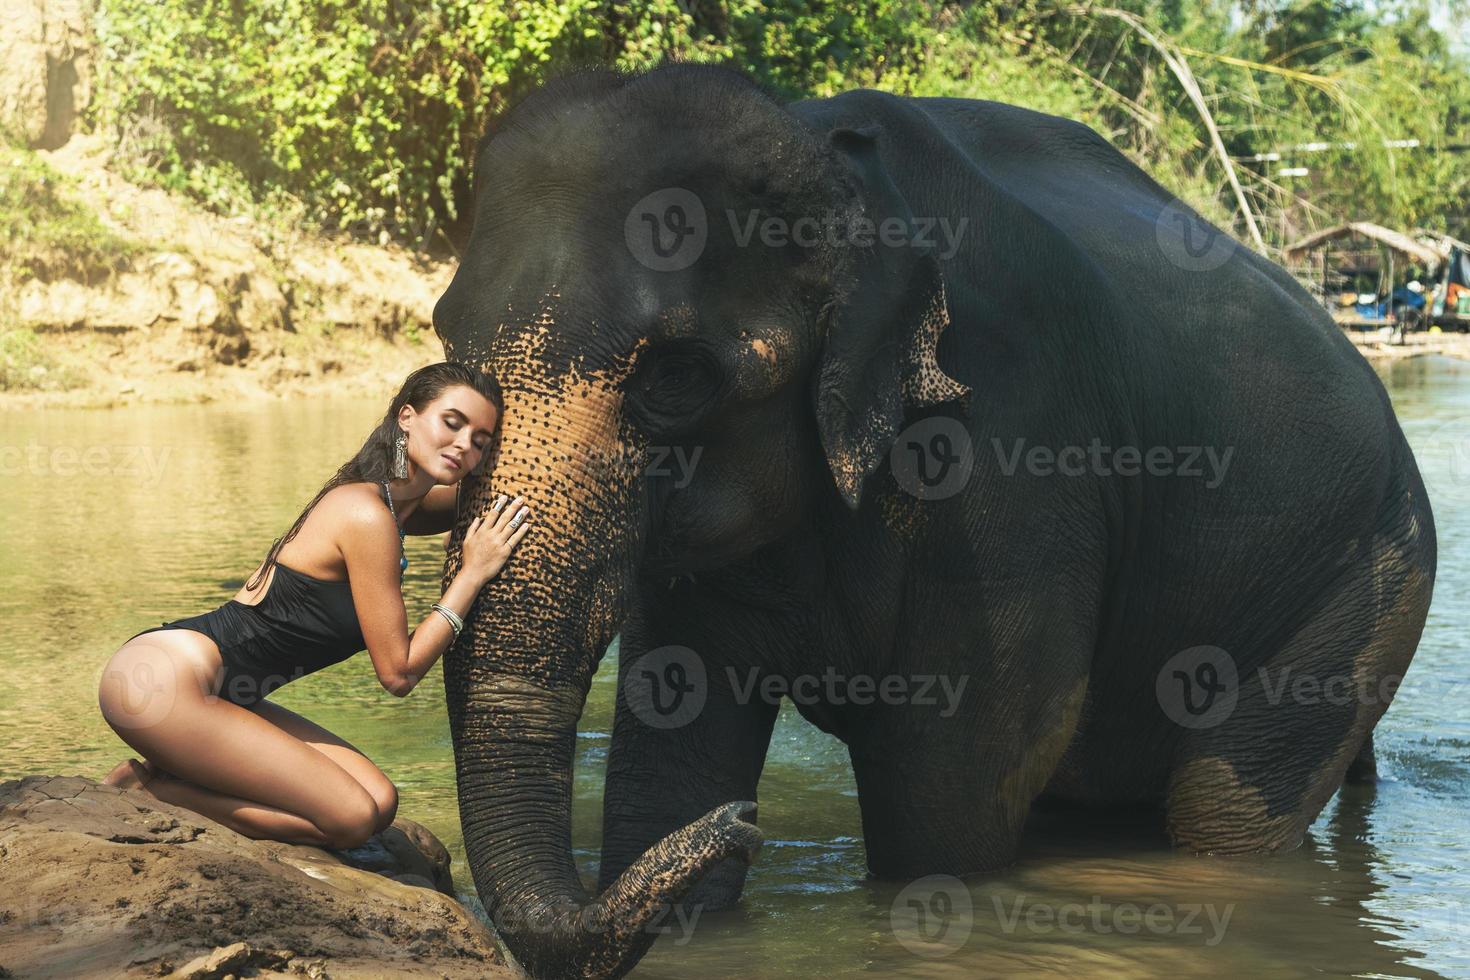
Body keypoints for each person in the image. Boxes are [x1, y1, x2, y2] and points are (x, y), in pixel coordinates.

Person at [96, 361, 532, 850]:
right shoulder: (366, 513)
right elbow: (398, 674)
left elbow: (493, 497)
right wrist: (472, 573)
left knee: (380, 802)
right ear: (406, 417)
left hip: (223, 692)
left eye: (480, 440)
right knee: (350, 819)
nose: (463, 445)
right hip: (161, 681)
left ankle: (173, 774)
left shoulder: (397, 505)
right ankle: (150, 789)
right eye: (452, 423)